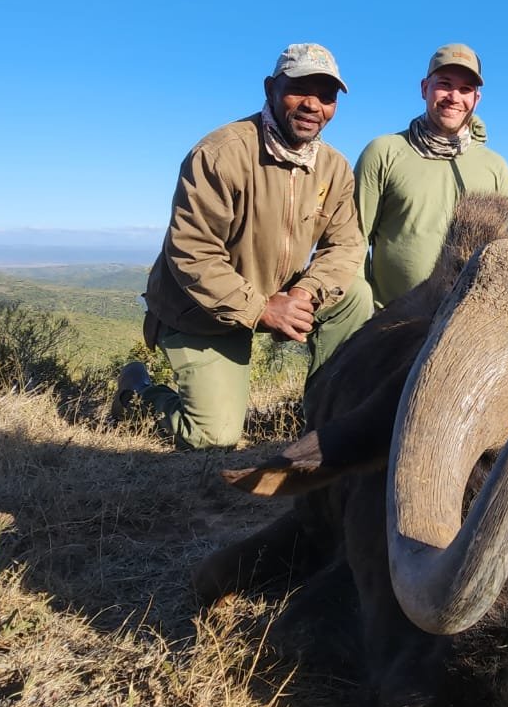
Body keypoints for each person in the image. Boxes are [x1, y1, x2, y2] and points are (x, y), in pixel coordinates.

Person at [112, 43, 369, 449]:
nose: (312, 105)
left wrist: (303, 293)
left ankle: (325, 416)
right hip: (203, 311)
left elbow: (346, 245)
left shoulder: (334, 168)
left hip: (280, 293)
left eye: (326, 96)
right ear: (270, 89)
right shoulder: (221, 153)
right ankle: (140, 393)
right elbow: (192, 251)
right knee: (214, 437)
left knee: (356, 295)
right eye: (299, 88)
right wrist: (261, 309)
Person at [353, 43, 508, 309]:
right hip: (391, 323)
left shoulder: (497, 168)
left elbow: (504, 254)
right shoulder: (384, 152)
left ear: (476, 100)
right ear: (425, 88)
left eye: (466, 89)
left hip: (465, 327)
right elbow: (354, 241)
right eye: (444, 84)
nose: (454, 97)